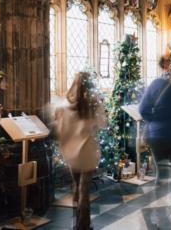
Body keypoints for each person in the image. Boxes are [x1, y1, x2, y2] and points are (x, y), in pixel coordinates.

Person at [139, 54, 171, 230]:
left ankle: (161, 216)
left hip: (157, 136)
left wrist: (155, 120)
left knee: (161, 177)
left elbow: (143, 109)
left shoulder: (154, 85)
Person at [55, 72, 106, 230]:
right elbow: (103, 123)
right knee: (84, 191)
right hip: (87, 153)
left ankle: (77, 221)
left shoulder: (64, 105)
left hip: (70, 154)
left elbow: (60, 129)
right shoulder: (93, 105)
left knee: (77, 187)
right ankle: (82, 226)